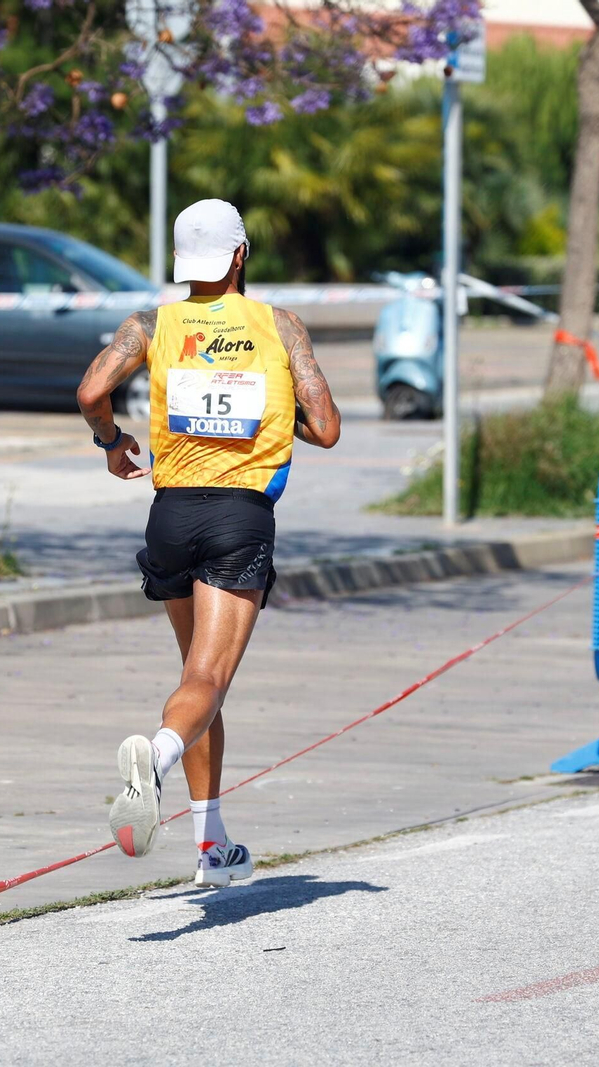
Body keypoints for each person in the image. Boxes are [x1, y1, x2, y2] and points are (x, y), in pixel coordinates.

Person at [76, 199, 341, 887]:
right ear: (240, 255)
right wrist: (275, 409)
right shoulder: (278, 325)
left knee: (198, 680)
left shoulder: (153, 324)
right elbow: (329, 425)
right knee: (207, 681)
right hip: (237, 519)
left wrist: (110, 444)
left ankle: (210, 844)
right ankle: (155, 759)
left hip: (168, 516)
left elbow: (91, 389)